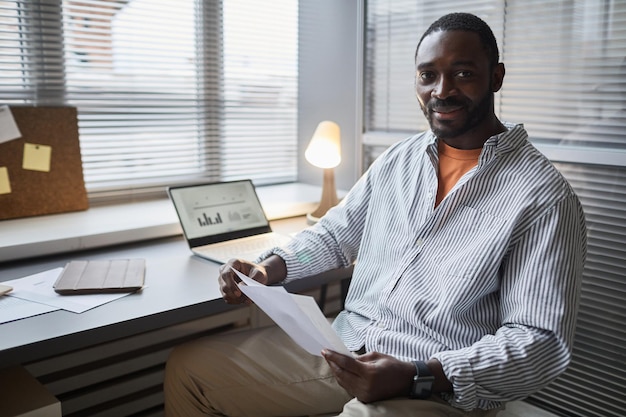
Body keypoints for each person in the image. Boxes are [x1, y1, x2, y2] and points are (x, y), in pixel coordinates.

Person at [164, 12, 587, 417]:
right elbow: (333, 235)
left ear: (495, 76)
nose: (442, 90)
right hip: (346, 345)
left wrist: (418, 375)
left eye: (463, 73)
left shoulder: (543, 197)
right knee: (189, 371)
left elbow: (540, 341)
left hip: (436, 383)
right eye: (427, 75)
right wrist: (266, 270)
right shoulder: (398, 160)